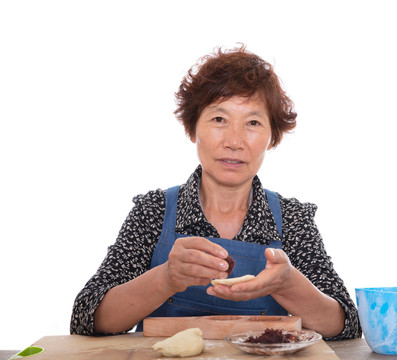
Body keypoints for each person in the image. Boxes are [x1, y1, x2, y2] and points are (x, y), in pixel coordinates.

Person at [70, 46, 361, 340]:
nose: (234, 141)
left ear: (272, 137)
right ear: (192, 128)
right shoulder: (154, 211)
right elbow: (86, 318)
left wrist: (289, 285)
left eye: (253, 123)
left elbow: (346, 325)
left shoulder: (292, 219)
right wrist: (166, 278)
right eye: (219, 120)